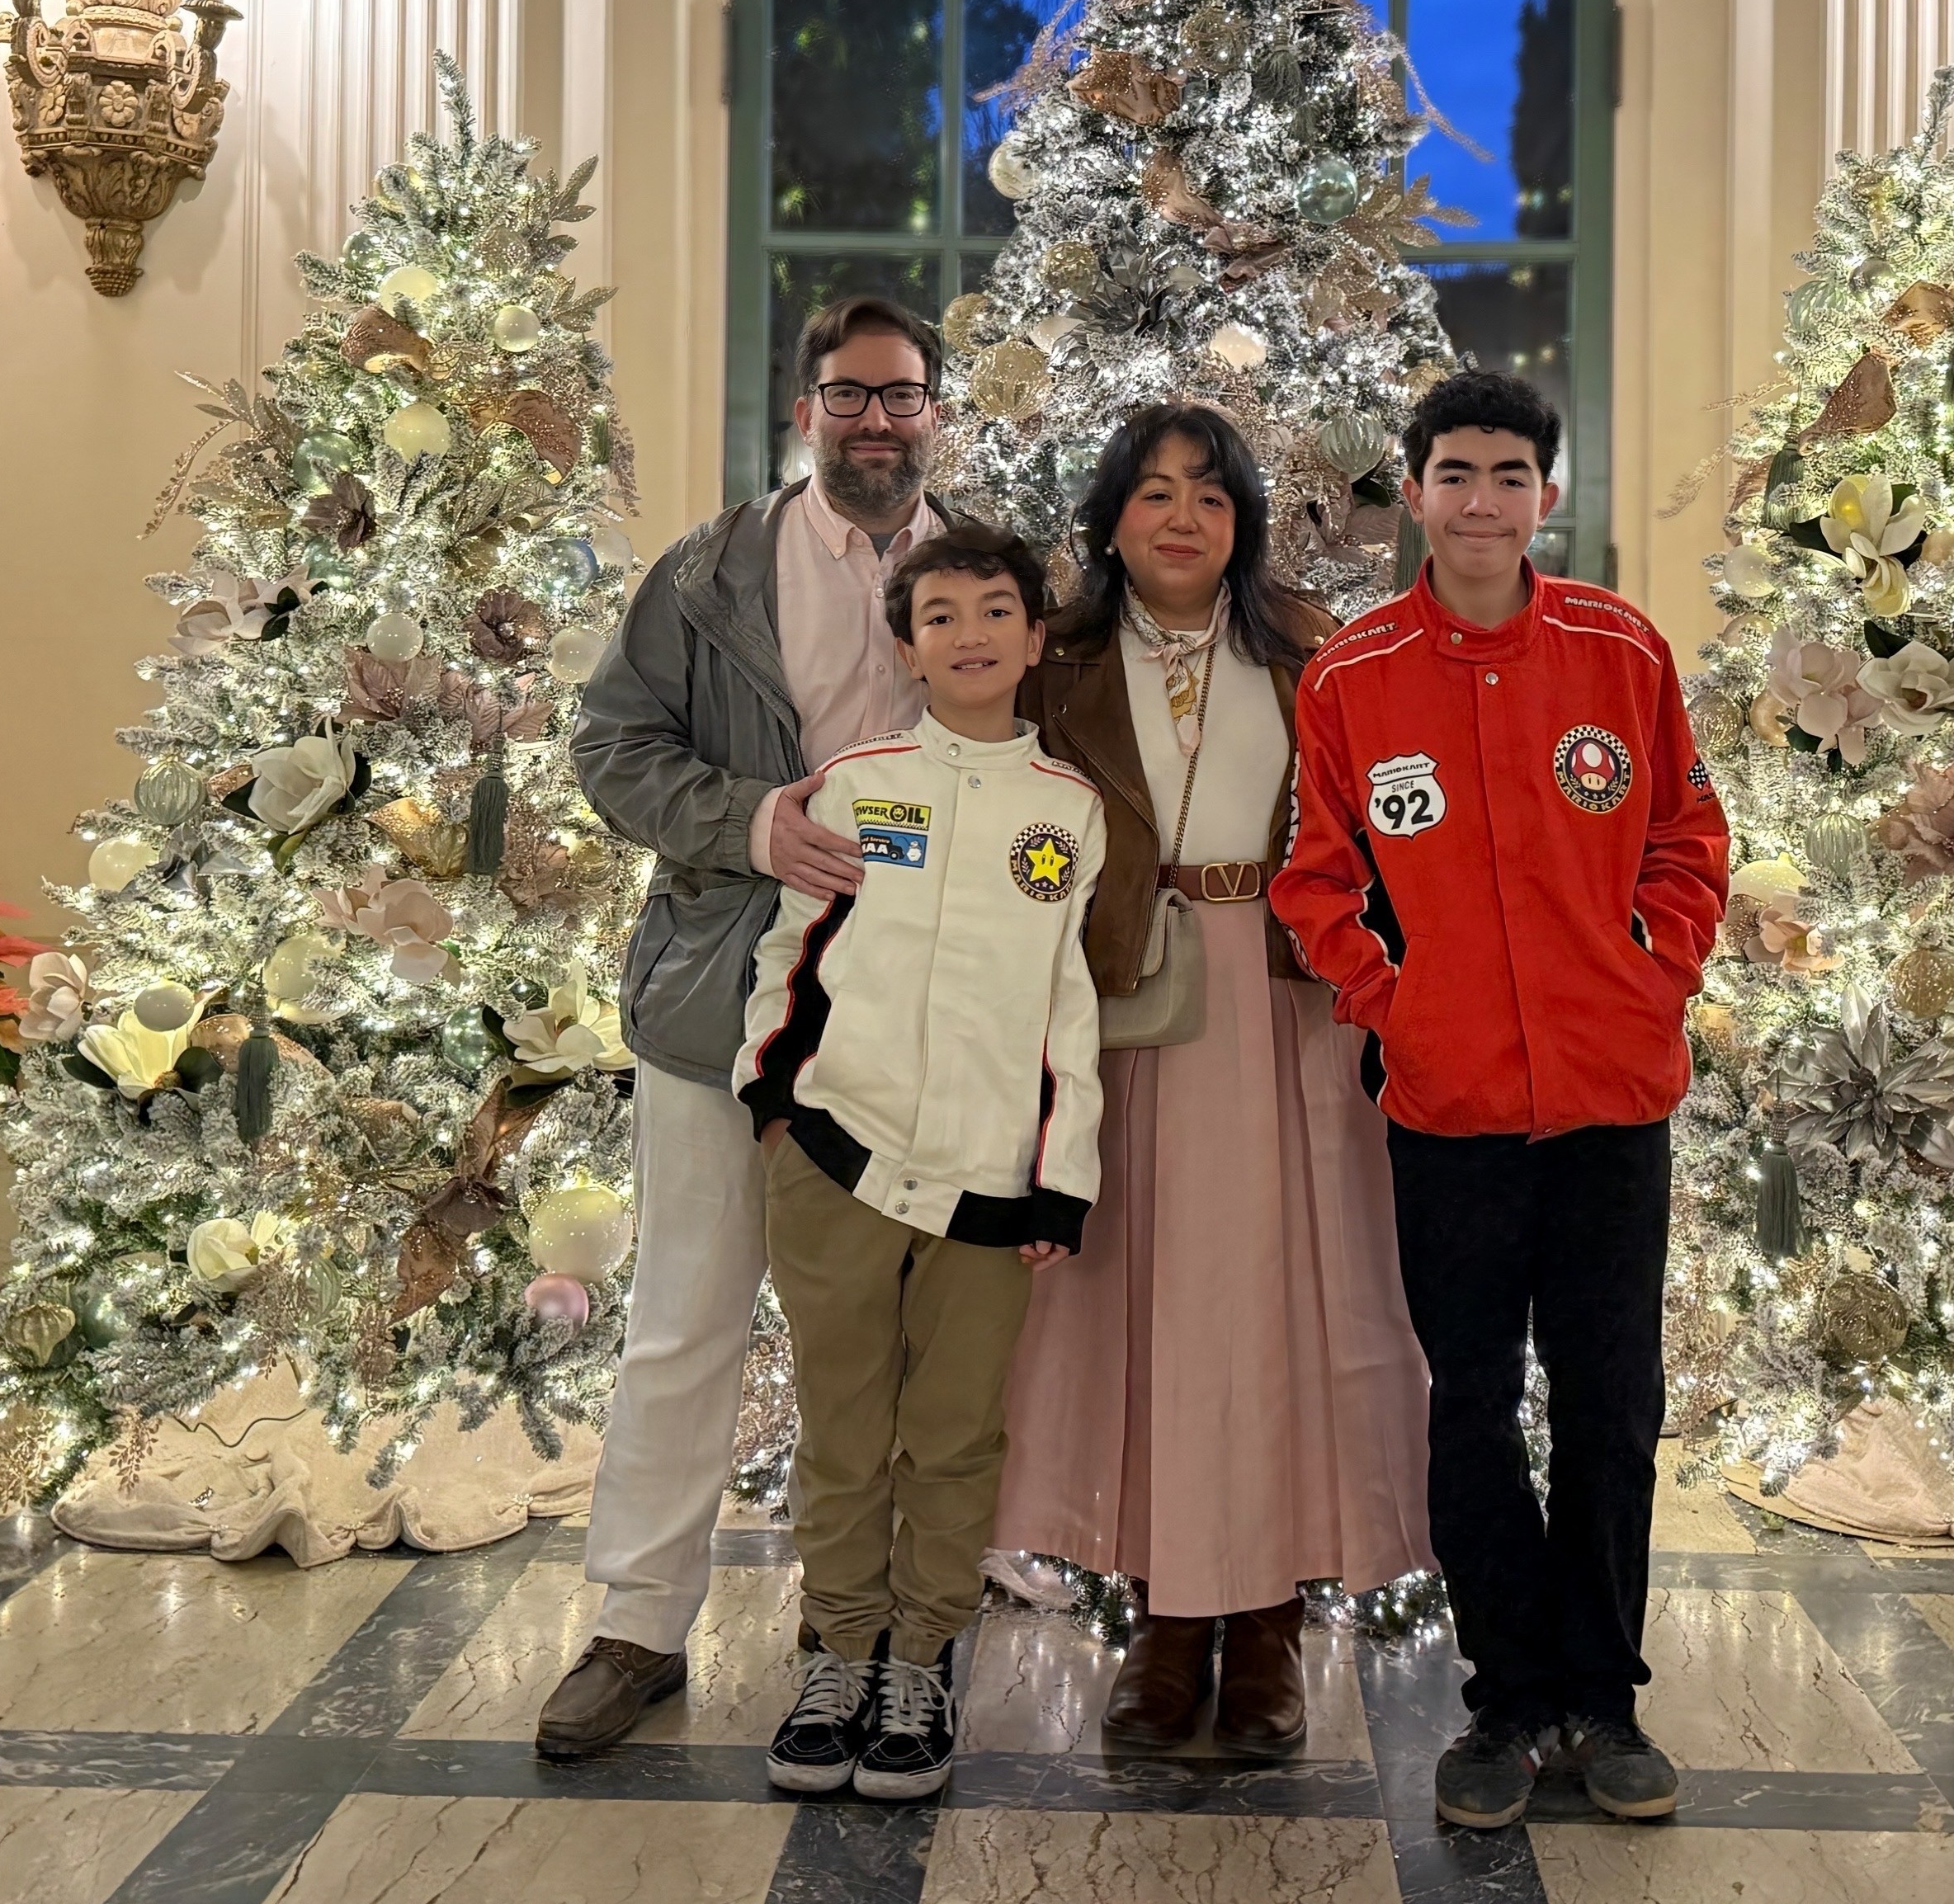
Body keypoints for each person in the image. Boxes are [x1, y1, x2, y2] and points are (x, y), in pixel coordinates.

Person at [1272, 369, 1728, 1831]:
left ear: (1547, 492)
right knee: (1470, 1408)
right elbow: (1316, 879)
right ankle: (1508, 1702)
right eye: (1455, 473)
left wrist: (1653, 967)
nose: (1481, 500)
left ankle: (1603, 1697)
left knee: (1610, 1406)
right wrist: (1394, 1001)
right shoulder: (1353, 675)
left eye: (1508, 473)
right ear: (1413, 494)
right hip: (1450, 1115)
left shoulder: (1618, 649)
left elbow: (1686, 832)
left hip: (1610, 1105)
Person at [542, 296, 950, 1758]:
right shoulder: (713, 571)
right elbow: (612, 744)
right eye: (849, 397)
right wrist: (754, 822)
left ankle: (901, 1621)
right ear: (806, 410)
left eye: (901, 398)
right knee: (688, 1311)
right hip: (724, 985)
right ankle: (638, 1625)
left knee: (916, 1325)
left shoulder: (985, 572)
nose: (876, 422)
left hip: (925, 1002)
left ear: (937, 414)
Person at [991, 403, 1432, 1753]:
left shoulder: (1313, 648)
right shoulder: (1052, 660)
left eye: (1210, 496)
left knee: (1287, 1313)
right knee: (1138, 1311)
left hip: (1285, 1000)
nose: (1182, 517)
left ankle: (1272, 1632)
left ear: (1241, 522)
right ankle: (1168, 1625)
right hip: (1120, 998)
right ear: (1112, 517)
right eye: (1153, 493)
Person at [739, 524, 1105, 1802]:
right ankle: (838, 1655)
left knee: (952, 1437)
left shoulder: (1068, 815)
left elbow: (1069, 1010)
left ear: (1035, 639)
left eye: (995, 611)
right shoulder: (856, 781)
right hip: (837, 1154)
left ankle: (920, 1662)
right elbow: (796, 948)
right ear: (907, 646)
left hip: (988, 1183)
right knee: (844, 1430)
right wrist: (776, 1102)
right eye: (939, 615)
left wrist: (1063, 1175)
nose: (970, 634)